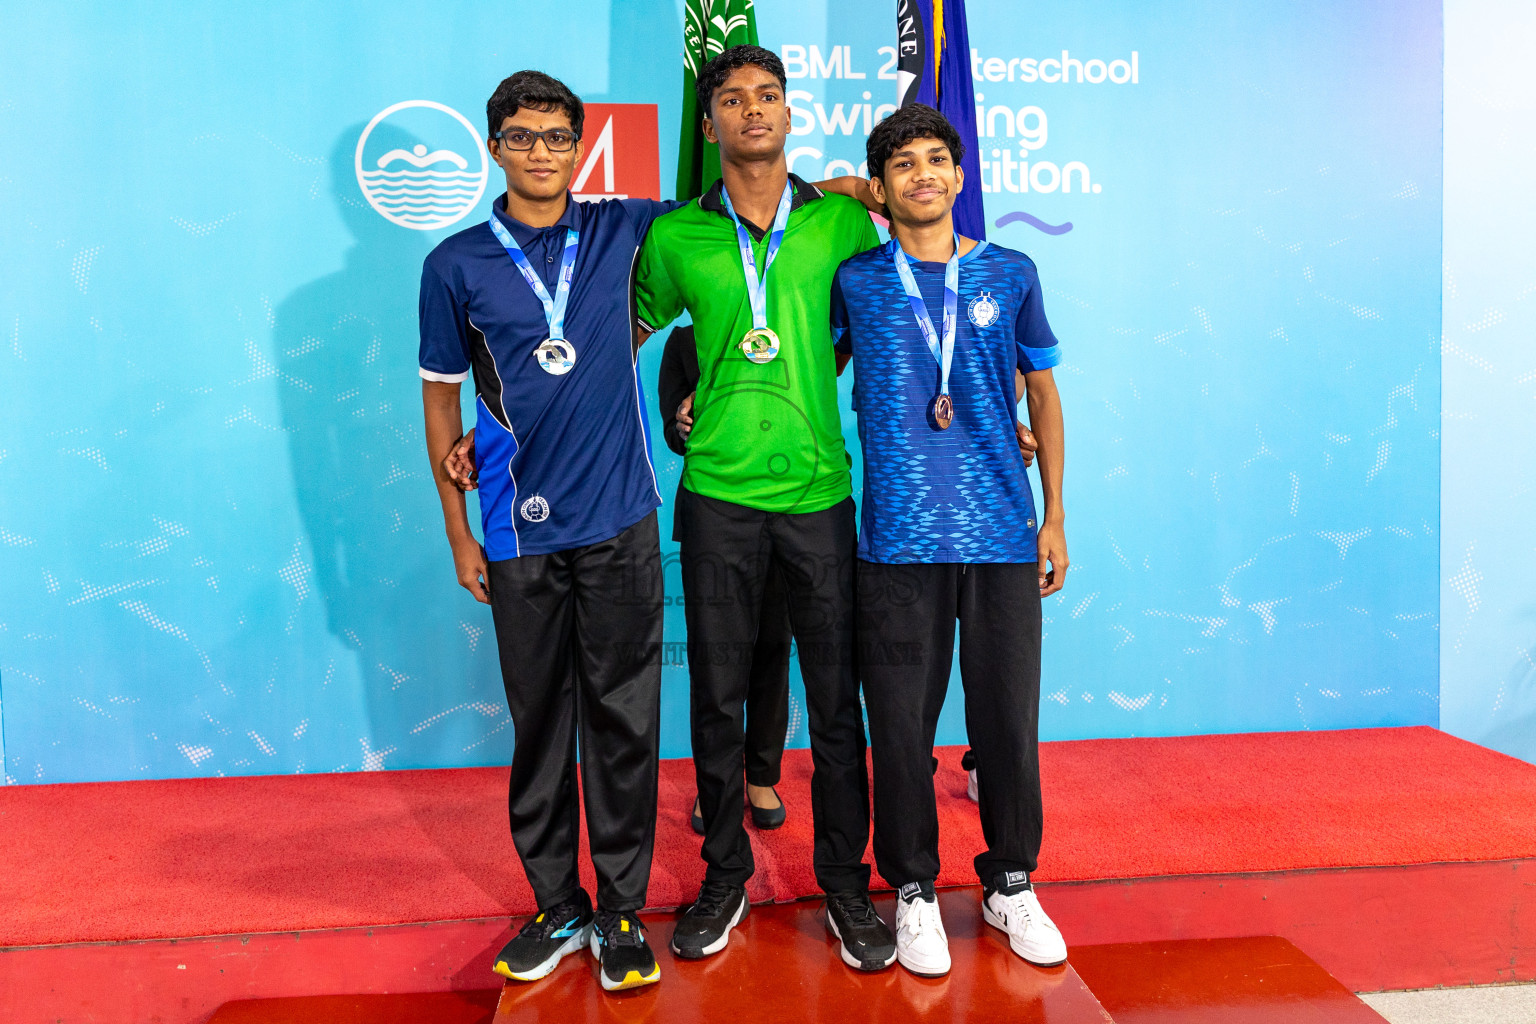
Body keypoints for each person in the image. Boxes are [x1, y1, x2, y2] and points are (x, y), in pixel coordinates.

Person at [633, 45, 900, 970]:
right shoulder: (674, 238)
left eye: (770, 97)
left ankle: (845, 886)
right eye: (734, 99)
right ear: (706, 126)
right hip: (716, 498)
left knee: (835, 707)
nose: (754, 110)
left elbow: (898, 319)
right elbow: (622, 329)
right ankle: (723, 876)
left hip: (820, 495)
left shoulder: (839, 226)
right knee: (714, 698)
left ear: (789, 115)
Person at [419, 70, 681, 993]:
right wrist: (459, 531)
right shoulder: (454, 263)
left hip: (620, 521)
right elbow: (438, 397)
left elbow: (737, 202)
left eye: (558, 136)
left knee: (623, 721)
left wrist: (845, 191)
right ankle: (557, 903)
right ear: (493, 147)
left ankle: (618, 911)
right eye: (522, 136)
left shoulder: (624, 228)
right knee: (540, 725)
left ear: (582, 146)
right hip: (517, 531)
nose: (541, 151)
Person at [831, 103, 1071, 977]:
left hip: (1003, 534)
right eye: (902, 166)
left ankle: (1011, 880)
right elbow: (805, 369)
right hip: (895, 542)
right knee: (898, 725)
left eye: (937, 160)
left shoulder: (1010, 271)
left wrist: (1053, 516)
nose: (923, 174)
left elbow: (1041, 396)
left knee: (1008, 721)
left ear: (960, 177)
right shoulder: (856, 280)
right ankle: (915, 891)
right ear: (882, 188)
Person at [658, 326, 791, 834]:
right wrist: (683, 421)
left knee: (773, 648)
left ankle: (761, 775)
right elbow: (674, 434)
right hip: (711, 512)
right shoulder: (684, 343)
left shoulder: (784, 326)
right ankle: (715, 781)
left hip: (786, 505)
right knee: (715, 657)